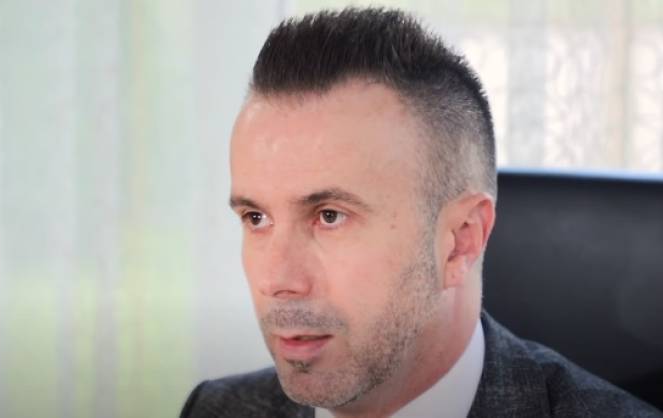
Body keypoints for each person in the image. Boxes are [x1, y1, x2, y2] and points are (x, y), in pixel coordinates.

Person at [180, 7, 662, 418]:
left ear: (460, 240)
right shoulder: (217, 409)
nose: (276, 280)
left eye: (329, 216)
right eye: (256, 218)